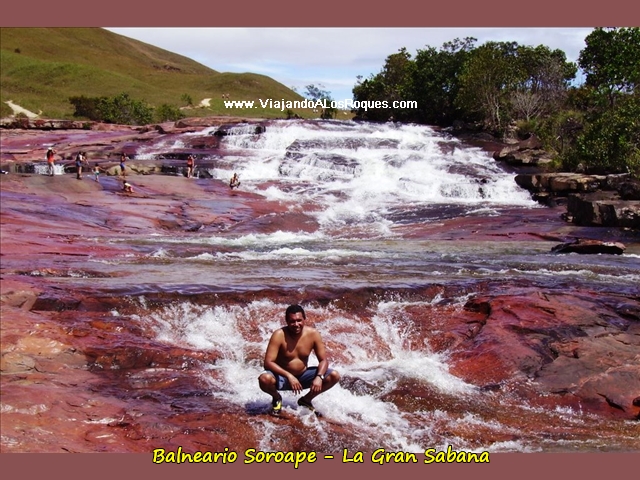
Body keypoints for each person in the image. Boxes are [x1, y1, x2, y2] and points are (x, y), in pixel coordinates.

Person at [258, 304, 340, 417]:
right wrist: (289, 376)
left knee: (334, 375)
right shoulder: (279, 335)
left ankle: (306, 400)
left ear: (304, 319)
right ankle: (277, 399)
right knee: (264, 379)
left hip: (302, 377)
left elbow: (323, 360)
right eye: (292, 321)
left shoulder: (313, 334)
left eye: (299, 320)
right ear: (286, 321)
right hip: (282, 378)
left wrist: (319, 377)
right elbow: (268, 363)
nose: (296, 324)